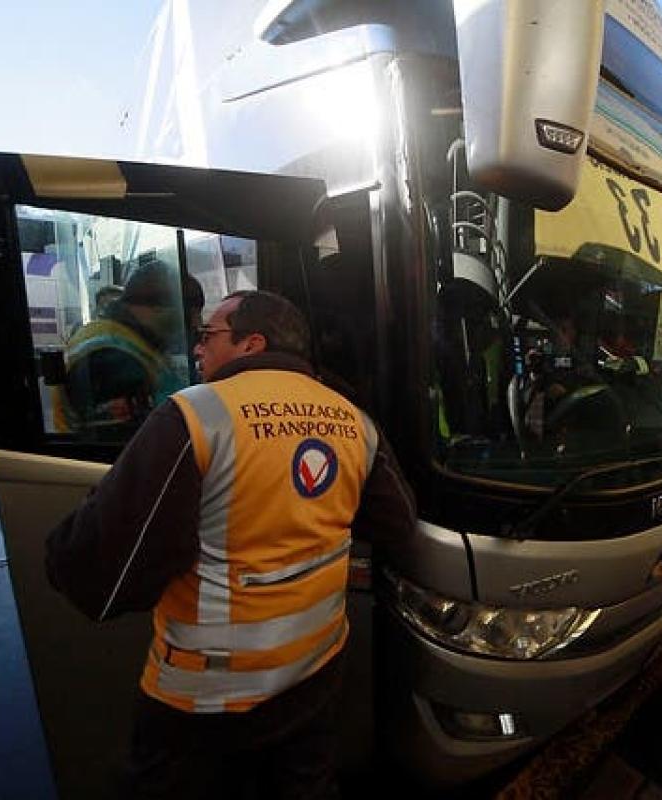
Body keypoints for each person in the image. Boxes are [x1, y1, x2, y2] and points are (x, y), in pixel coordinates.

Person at [46, 290, 417, 798]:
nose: (197, 349)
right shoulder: (352, 418)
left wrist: (62, 553)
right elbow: (396, 523)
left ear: (252, 343)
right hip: (314, 675)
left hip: (207, 704)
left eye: (208, 336)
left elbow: (100, 570)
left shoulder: (195, 415)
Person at [55, 265, 193, 433]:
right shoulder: (113, 358)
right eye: (186, 314)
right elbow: (131, 439)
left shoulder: (117, 336)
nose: (196, 324)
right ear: (160, 306)